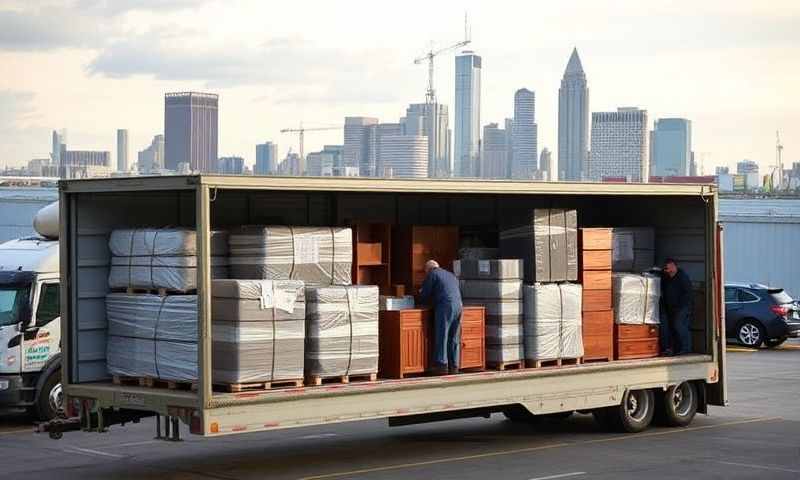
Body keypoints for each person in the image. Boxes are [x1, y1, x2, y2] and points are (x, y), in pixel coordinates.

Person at [419, 260, 463, 375]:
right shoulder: (450, 274)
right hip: (459, 306)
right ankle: (454, 366)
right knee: (454, 336)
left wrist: (418, 299)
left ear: (428, 269)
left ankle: (441, 365)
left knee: (442, 334)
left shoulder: (433, 274)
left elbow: (424, 293)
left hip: (445, 306)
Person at [660, 258, 693, 356]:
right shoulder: (667, 278)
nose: (669, 270)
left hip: (683, 306)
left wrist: (681, 307)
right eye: (667, 268)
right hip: (672, 307)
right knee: (672, 327)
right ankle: (676, 348)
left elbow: (688, 294)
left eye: (671, 268)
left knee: (679, 325)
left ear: (675, 267)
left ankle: (686, 348)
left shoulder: (682, 277)